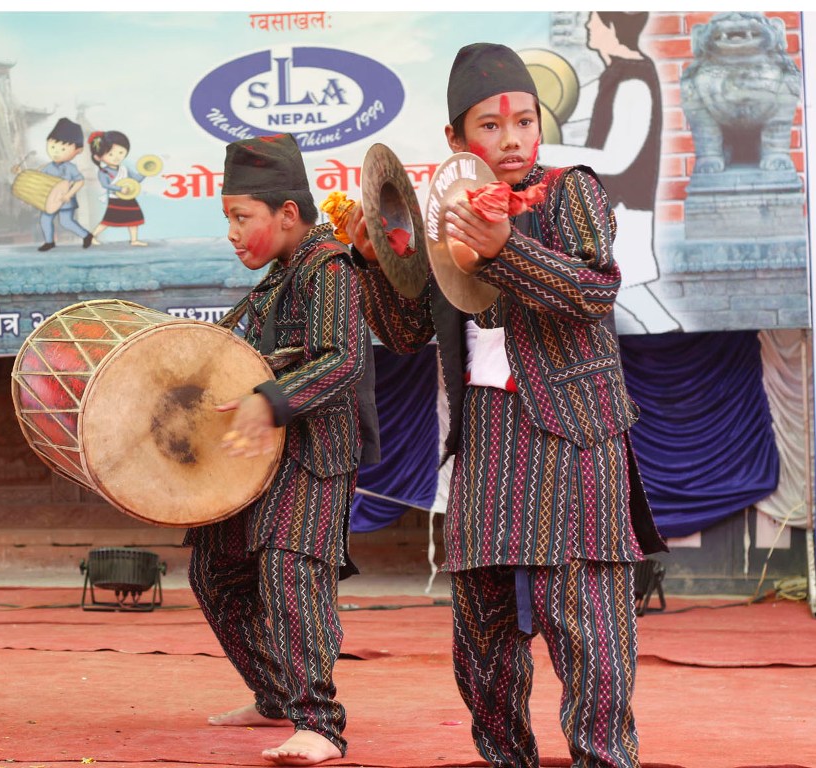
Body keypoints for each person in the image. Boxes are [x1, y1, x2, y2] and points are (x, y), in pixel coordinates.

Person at [343, 44, 667, 768]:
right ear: (457, 139)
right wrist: (373, 262)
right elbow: (405, 332)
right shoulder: (442, 218)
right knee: (482, 638)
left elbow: (594, 290)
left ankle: (604, 759)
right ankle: (503, 757)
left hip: (573, 434)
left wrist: (503, 251)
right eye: (491, 126)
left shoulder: (568, 191)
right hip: (488, 437)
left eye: (525, 121)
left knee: (589, 630)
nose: (513, 138)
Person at [184, 132, 372, 766]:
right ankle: (274, 695)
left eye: (242, 217)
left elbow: (343, 359)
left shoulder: (330, 267)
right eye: (228, 218)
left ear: (288, 213)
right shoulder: (275, 282)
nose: (232, 233)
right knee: (215, 572)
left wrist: (270, 400)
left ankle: (320, 723)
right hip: (259, 457)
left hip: (314, 452)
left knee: (291, 571)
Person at [539, 11, 681, 333]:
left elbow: (617, 159)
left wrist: (543, 154)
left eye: (595, 20)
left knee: (631, 295)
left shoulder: (634, 80)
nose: (589, 25)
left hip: (624, 211)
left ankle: (672, 347)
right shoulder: (618, 73)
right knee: (629, 297)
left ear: (613, 27)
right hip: (612, 210)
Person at [37, 117, 93, 251]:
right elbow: (37, 178)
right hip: (50, 199)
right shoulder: (47, 167)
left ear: (78, 150)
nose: (56, 151)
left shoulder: (70, 168)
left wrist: (69, 194)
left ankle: (86, 235)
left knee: (66, 222)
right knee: (45, 219)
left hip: (65, 199)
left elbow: (80, 181)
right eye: (52, 147)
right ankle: (49, 242)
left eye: (63, 149)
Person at [87, 129, 148, 246]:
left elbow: (135, 180)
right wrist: (120, 189)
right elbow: (105, 185)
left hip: (129, 197)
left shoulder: (124, 168)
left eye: (120, 152)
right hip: (116, 199)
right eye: (110, 154)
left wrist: (145, 172)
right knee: (108, 220)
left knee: (134, 218)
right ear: (98, 157)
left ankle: (134, 240)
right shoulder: (103, 172)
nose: (116, 157)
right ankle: (91, 236)